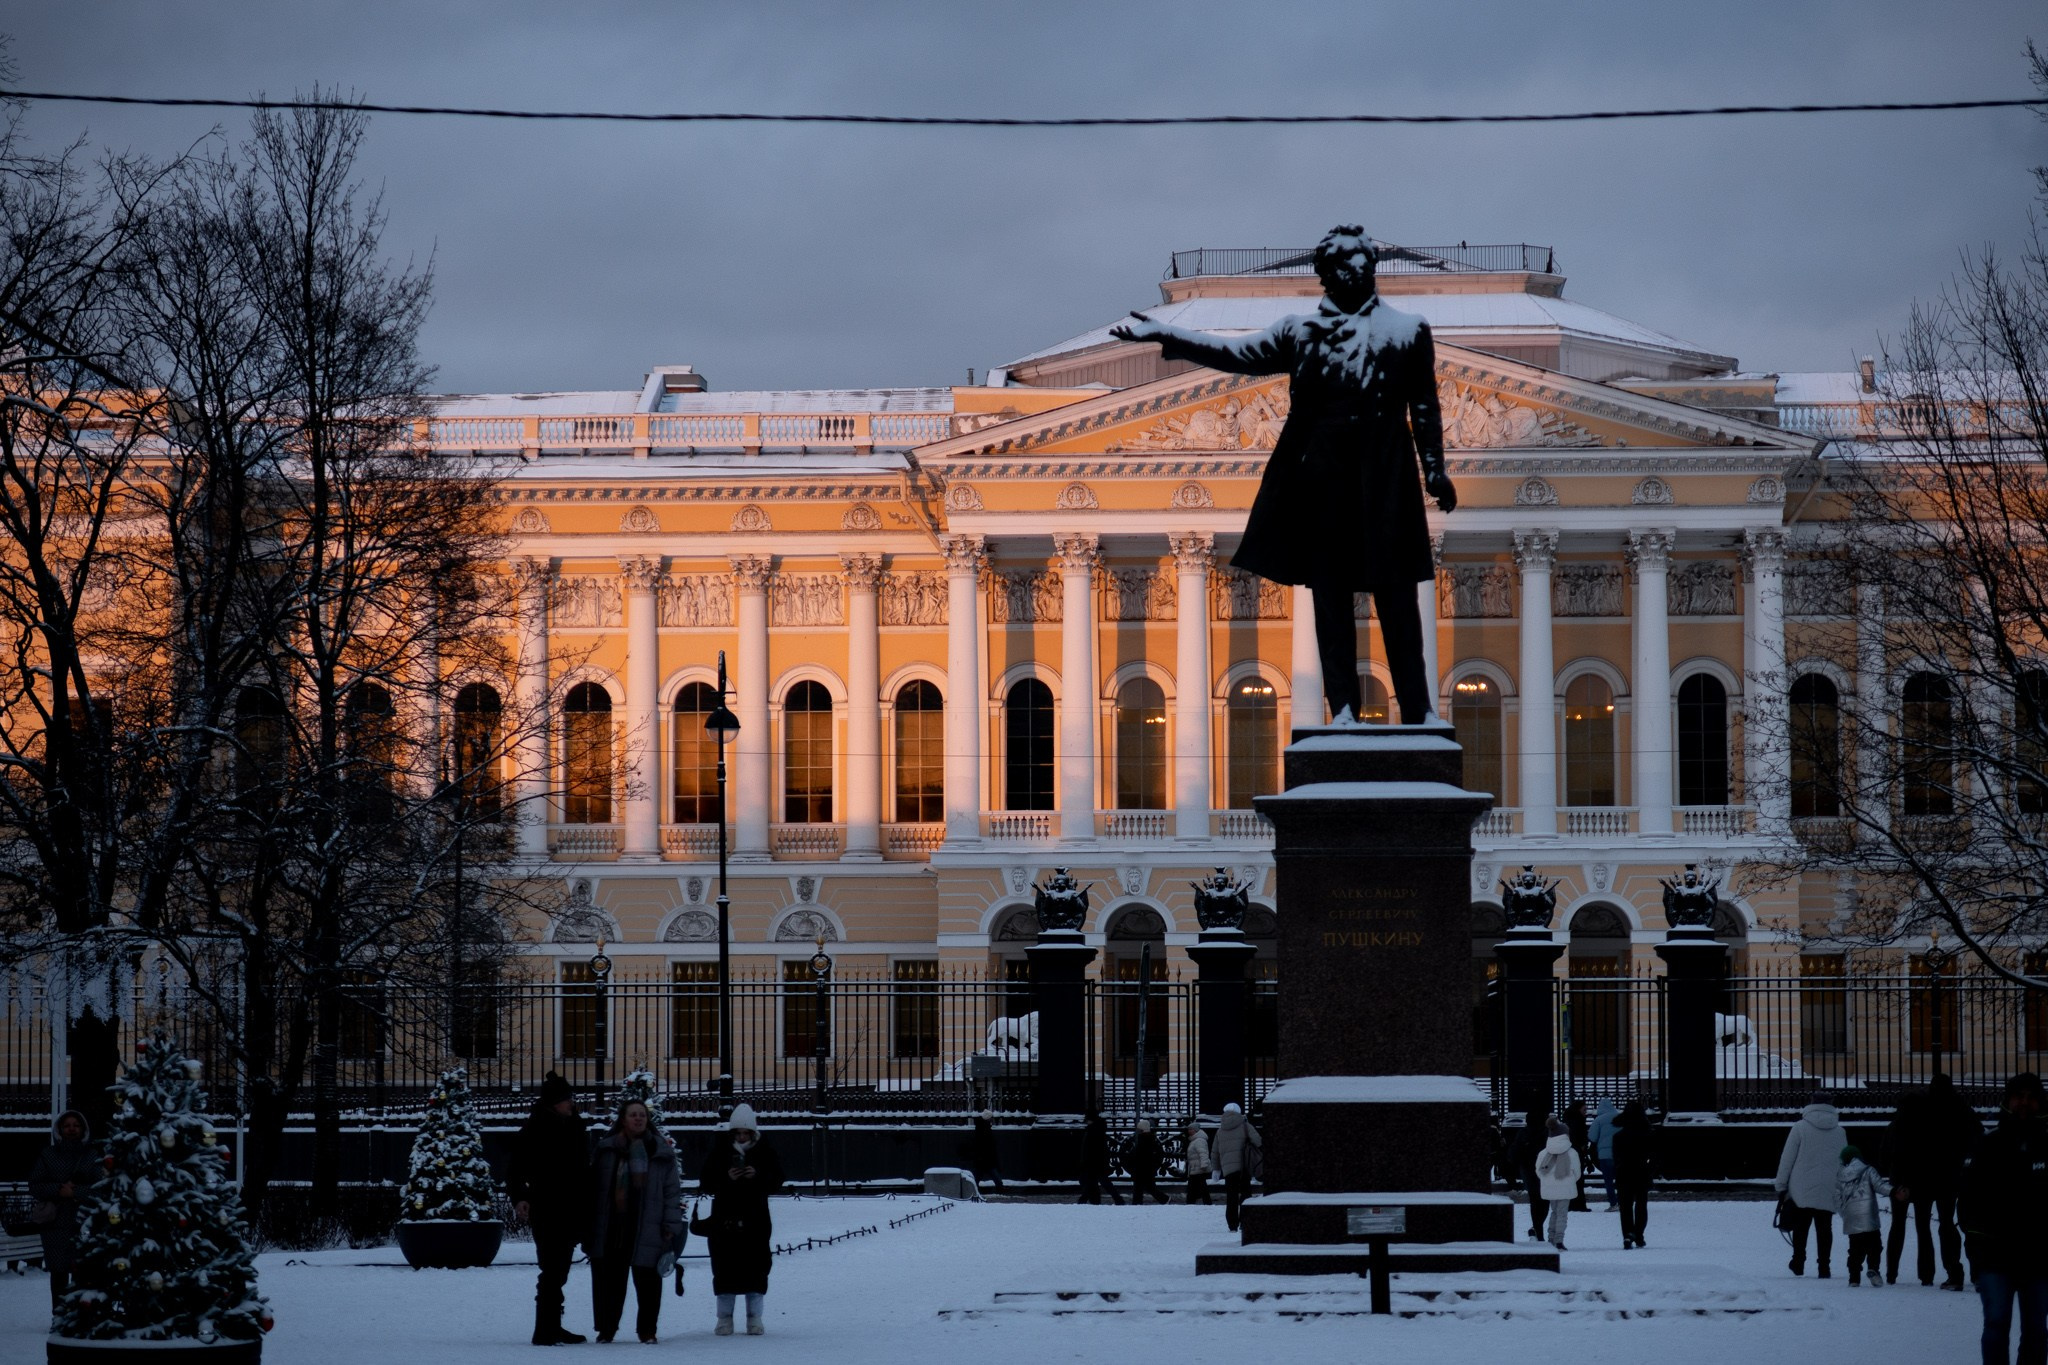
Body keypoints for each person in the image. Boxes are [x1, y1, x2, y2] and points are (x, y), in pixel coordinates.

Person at [1109, 224, 1455, 726]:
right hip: (1325, 480)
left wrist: (1436, 473)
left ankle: (1420, 712)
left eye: (1364, 262)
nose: (1358, 270)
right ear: (1328, 276)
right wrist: (1168, 334)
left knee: (1398, 595)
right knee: (1330, 596)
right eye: (1346, 264)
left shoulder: (1408, 331)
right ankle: (1342, 712)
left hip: (1387, 478)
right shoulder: (1299, 333)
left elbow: (1425, 405)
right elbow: (1235, 354)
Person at [1960, 1072, 2048, 1365]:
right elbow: (1969, 1202)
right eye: (2018, 1096)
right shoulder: (1987, 1145)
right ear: (2008, 1100)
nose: (2024, 1103)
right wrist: (1976, 1248)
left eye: (2031, 1097)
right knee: (1996, 1325)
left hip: (2039, 1257)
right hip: (1994, 1256)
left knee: (2036, 1331)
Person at [507, 1072, 593, 1346]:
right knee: (553, 1269)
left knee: (559, 1269)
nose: (572, 1103)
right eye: (568, 1099)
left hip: (570, 1206)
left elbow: (582, 1168)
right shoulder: (536, 1128)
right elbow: (516, 1167)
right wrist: (520, 1196)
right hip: (547, 1206)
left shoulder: (574, 1126)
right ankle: (545, 1329)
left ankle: (552, 1325)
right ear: (555, 1102)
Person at [586, 1098, 681, 1345]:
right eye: (633, 1115)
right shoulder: (607, 1149)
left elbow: (672, 1192)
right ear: (623, 1119)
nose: (638, 1118)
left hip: (649, 1223)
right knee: (610, 1282)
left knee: (649, 1282)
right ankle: (607, 1329)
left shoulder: (660, 1151)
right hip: (614, 1227)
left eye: (642, 1115)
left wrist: (671, 1225)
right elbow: (594, 1190)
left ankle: (647, 1330)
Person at [1883, 1071, 1981, 1291]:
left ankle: (1914, 1273)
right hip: (1950, 1175)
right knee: (1947, 1224)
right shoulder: (1959, 1106)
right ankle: (1951, 1272)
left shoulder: (1920, 1110)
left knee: (1919, 1225)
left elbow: (1904, 1147)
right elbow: (1977, 1133)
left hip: (1923, 1176)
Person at [698, 1103, 785, 1336]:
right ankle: (724, 1318)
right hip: (725, 1220)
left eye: (746, 1133)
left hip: (755, 1219)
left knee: (756, 1268)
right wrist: (726, 1177)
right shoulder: (720, 1151)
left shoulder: (765, 1151)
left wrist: (757, 1175)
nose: (742, 1136)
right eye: (738, 1133)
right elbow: (705, 1181)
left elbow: (777, 1179)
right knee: (724, 1268)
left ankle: (754, 1318)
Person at [27, 1110, 101, 1312]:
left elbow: (101, 1187)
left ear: (82, 1129)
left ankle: (81, 1316)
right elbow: (35, 1184)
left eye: (75, 1125)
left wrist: (76, 1192)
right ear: (60, 1129)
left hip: (84, 1221)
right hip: (55, 1224)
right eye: (67, 1125)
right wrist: (60, 1190)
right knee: (59, 1274)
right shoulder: (48, 1155)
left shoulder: (92, 1156)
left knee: (82, 1273)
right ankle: (59, 1316)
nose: (71, 1129)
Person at [1775, 1092, 1845, 1278]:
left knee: (1801, 1226)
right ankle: (1824, 1267)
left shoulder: (1800, 1128)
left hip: (1801, 1187)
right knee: (1825, 1228)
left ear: (1812, 1103)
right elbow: (1843, 1162)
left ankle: (1798, 1261)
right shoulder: (1840, 1131)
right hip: (1829, 1185)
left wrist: (1781, 1185)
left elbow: (1787, 1158)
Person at [1838, 1144, 1892, 1287]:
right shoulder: (1868, 1170)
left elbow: (1836, 1198)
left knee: (1854, 1250)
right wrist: (1894, 1191)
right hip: (1869, 1218)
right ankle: (1873, 1268)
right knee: (1875, 1246)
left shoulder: (1840, 1175)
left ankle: (1854, 1278)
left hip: (1851, 1219)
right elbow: (1880, 1186)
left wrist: (1844, 1213)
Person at [1612, 1099, 1656, 1250]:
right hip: (1642, 1171)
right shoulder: (1648, 1134)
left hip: (1623, 1172)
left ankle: (1627, 1234)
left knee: (1625, 1206)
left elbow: (1615, 1156)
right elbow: (1654, 1154)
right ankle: (1639, 1235)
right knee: (1641, 1204)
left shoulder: (1618, 1136)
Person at [1214, 1102, 1263, 1232]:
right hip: (1244, 1166)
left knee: (1231, 1196)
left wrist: (1216, 1169)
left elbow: (1215, 1152)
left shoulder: (1220, 1130)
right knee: (1246, 1194)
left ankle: (1232, 1224)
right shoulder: (1245, 1126)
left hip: (1228, 1168)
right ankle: (1244, 1221)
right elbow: (1258, 1141)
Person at [1535, 1117, 1582, 1252]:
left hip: (1550, 1188)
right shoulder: (1572, 1153)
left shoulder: (1543, 1153)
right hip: (1566, 1188)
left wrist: (1548, 1181)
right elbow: (1577, 1173)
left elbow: (1539, 1171)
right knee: (1562, 1214)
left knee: (1554, 1212)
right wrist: (1570, 1180)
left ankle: (1550, 1238)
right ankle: (1559, 1240)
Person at [1516, 1113, 1552, 1242]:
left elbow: (1515, 1151)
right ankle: (1538, 1227)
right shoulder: (1548, 1133)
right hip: (1545, 1170)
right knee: (1545, 1201)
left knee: (1534, 1200)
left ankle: (1537, 1228)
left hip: (1528, 1169)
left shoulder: (1523, 1133)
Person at [1077, 1111, 1123, 1206]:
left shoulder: (1093, 1130)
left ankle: (1088, 1202)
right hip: (1096, 1162)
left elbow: (1091, 1148)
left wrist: (1086, 1160)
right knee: (1097, 1183)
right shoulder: (1096, 1129)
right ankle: (1114, 1200)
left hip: (1094, 1162)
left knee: (1094, 1183)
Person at [1589, 1098, 1621, 1212]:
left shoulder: (1599, 1120)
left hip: (1604, 1154)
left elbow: (1592, 1137)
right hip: (1619, 1154)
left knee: (1608, 1181)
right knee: (1621, 1180)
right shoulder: (1620, 1118)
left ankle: (1613, 1203)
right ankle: (1623, 1201)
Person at [1127, 1118, 1169, 1205]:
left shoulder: (1144, 1139)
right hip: (1147, 1167)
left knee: (1143, 1186)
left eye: (1139, 1129)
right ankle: (1164, 1199)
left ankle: (1164, 1199)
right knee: (1147, 1187)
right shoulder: (1148, 1138)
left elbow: (1141, 1154)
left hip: (1143, 1167)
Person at [1562, 1098, 1593, 1212]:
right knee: (1578, 1179)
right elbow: (1577, 1137)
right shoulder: (1577, 1121)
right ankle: (1579, 1204)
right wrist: (1582, 1146)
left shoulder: (1569, 1119)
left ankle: (1573, 1203)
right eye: (1584, 1109)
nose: (1586, 1112)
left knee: (1573, 1178)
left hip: (1571, 1152)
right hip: (1576, 1152)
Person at [964, 1109, 1003, 1195]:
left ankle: (973, 1191)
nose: (992, 1119)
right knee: (994, 1177)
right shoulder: (985, 1129)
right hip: (985, 1158)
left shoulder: (981, 1128)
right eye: (991, 1118)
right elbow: (986, 1145)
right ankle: (1000, 1190)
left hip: (982, 1159)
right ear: (988, 1118)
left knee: (977, 1178)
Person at [1183, 1118, 1213, 1206]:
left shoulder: (1199, 1140)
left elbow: (1203, 1153)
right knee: (1199, 1187)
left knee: (1198, 1187)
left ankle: (1192, 1203)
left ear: (1195, 1130)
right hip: (1195, 1168)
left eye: (1190, 1129)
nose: (1188, 1131)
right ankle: (1193, 1202)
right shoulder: (1194, 1140)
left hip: (1199, 1168)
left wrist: (1204, 1164)